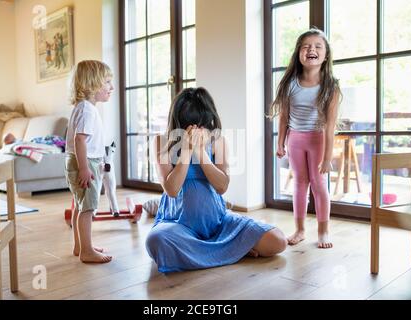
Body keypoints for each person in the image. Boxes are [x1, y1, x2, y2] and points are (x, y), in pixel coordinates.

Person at [145, 87, 287, 273]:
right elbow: (171, 189)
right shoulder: (162, 142)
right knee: (155, 241)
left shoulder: (218, 141)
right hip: (178, 225)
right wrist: (187, 151)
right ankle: (230, 252)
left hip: (218, 224)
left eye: (203, 124)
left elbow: (222, 186)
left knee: (277, 240)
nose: (198, 130)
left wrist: (200, 152)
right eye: (191, 125)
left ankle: (205, 254)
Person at [269, 28, 341, 249]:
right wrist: (280, 142)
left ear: (326, 55)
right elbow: (284, 116)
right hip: (295, 139)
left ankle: (323, 231)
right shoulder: (290, 83)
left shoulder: (331, 86)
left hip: (318, 138)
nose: (312, 50)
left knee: (319, 184)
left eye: (318, 46)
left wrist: (327, 157)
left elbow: (329, 127)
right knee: (300, 184)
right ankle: (300, 230)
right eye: (306, 46)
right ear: (299, 53)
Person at [65, 60, 114, 263]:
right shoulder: (87, 110)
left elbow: (86, 141)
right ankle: (86, 251)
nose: (112, 87)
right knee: (87, 208)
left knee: (80, 205)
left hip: (81, 161)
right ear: (92, 84)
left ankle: (80, 246)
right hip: (82, 163)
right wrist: (85, 167)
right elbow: (80, 140)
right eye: (108, 82)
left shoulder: (84, 107)